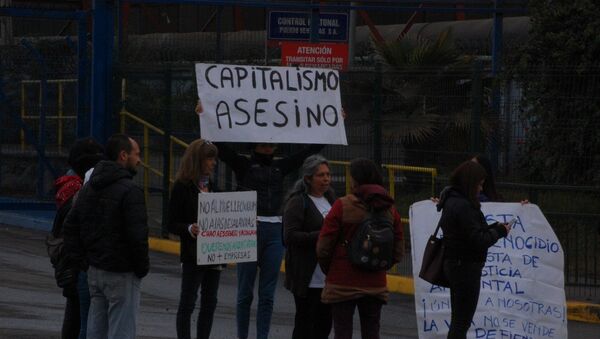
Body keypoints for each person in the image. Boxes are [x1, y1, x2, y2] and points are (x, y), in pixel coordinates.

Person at [196, 99, 326, 339]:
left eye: (272, 143)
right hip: (247, 229)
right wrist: (204, 117)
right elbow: (219, 147)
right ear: (255, 143)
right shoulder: (243, 165)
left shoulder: (281, 167)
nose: (269, 146)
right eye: (264, 143)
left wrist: (333, 124)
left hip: (274, 231)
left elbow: (309, 152)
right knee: (245, 293)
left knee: (267, 294)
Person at [63, 133, 149, 339]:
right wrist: (141, 268)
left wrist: (84, 261)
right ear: (123, 155)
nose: (140, 159)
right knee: (122, 331)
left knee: (95, 330)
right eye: (136, 154)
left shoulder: (90, 187)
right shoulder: (131, 191)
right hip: (122, 272)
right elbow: (137, 236)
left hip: (95, 271)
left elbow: (70, 227)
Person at [316, 158, 404, 339]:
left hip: (342, 282)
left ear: (355, 180)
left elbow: (323, 246)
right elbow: (398, 250)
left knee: (342, 331)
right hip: (375, 284)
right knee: (372, 331)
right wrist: (378, 266)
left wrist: (331, 268)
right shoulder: (390, 209)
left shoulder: (342, 205)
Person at [436, 160, 511, 339]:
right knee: (462, 322)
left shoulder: (451, 200)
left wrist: (493, 228)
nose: (480, 189)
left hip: (455, 264)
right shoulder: (464, 206)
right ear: (470, 183)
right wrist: (499, 231)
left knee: (458, 320)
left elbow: (469, 233)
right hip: (465, 267)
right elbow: (477, 239)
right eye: (479, 184)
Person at [49, 137, 104, 339]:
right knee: (79, 316)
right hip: (76, 260)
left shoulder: (68, 185)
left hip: (70, 259)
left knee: (74, 312)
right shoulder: (76, 189)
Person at [167, 139, 222, 339]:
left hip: (214, 254)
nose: (213, 163)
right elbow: (171, 223)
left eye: (213, 158)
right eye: (209, 158)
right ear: (197, 160)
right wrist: (189, 228)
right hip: (193, 254)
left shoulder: (213, 186)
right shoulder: (182, 187)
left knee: (210, 303)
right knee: (188, 303)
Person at [282, 154, 335, 339]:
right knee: (305, 324)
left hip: (328, 276)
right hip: (307, 275)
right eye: (320, 175)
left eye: (328, 174)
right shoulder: (298, 202)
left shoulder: (331, 199)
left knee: (324, 324)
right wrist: (322, 236)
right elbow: (289, 236)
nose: (326, 178)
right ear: (308, 178)